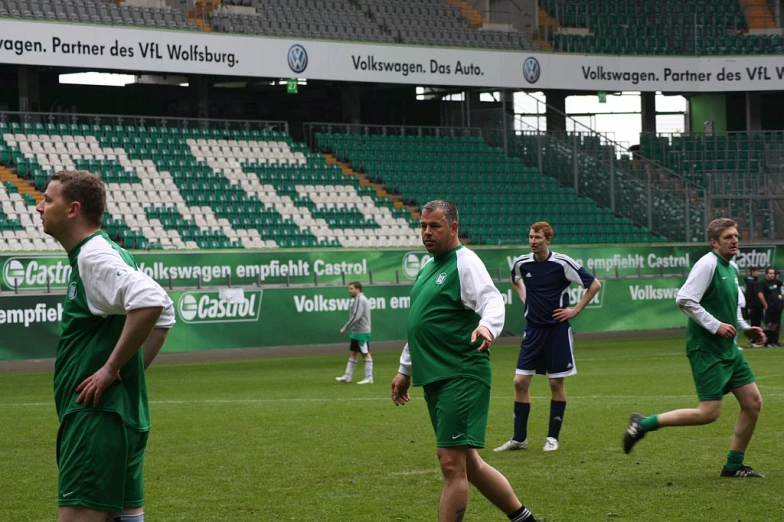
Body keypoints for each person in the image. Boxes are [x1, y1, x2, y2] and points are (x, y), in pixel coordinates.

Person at [37, 170, 175, 522]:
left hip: (94, 422)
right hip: (118, 416)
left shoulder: (92, 256)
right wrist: (126, 371)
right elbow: (165, 311)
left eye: (48, 200)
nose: (39, 207)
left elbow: (151, 301)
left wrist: (111, 369)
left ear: (73, 210)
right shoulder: (106, 252)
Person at [390, 200, 540, 522]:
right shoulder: (430, 267)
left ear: (453, 228)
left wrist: (487, 326)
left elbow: (491, 299)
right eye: (423, 227)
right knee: (469, 463)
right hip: (436, 375)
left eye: (435, 227)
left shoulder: (464, 261)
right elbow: (421, 325)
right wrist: (405, 368)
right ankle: (523, 518)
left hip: (461, 372)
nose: (427, 233)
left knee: (450, 462)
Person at [623, 218, 767, 478]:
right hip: (707, 349)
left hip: (729, 349)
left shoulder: (731, 268)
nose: (735, 240)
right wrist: (715, 326)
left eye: (736, 235)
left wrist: (744, 328)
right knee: (708, 413)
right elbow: (685, 299)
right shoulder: (707, 264)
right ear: (714, 242)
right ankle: (642, 424)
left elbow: (730, 308)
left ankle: (733, 466)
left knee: (753, 402)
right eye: (728, 237)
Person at [494, 222, 600, 453]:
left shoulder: (562, 263)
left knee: (555, 383)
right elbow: (514, 279)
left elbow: (594, 284)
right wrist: (525, 298)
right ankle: (519, 439)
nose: (533, 241)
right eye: (531, 237)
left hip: (557, 332)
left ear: (548, 240)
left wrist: (575, 310)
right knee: (519, 382)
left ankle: (552, 437)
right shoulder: (522, 263)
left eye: (538, 238)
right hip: (532, 331)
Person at [335, 281, 374, 384]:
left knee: (365, 353)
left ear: (358, 289)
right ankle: (347, 376)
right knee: (353, 353)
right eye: (349, 288)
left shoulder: (360, 299)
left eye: (351, 289)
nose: (349, 291)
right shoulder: (358, 299)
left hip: (361, 331)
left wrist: (345, 327)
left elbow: (357, 315)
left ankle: (369, 378)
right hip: (357, 331)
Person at [758, 267, 782, 347]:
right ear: (767, 274)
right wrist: (765, 304)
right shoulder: (763, 282)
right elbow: (760, 294)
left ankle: (772, 341)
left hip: (776, 306)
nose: (772, 275)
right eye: (771, 273)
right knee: (767, 324)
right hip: (769, 306)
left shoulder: (775, 282)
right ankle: (766, 342)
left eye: (773, 273)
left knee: (774, 324)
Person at [744, 268, 763, 347]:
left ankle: (755, 341)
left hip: (758, 307)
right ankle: (751, 341)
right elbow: (748, 295)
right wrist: (750, 306)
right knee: (752, 324)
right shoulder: (750, 282)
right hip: (752, 307)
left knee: (757, 324)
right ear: (753, 272)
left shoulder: (756, 281)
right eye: (757, 271)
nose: (759, 273)